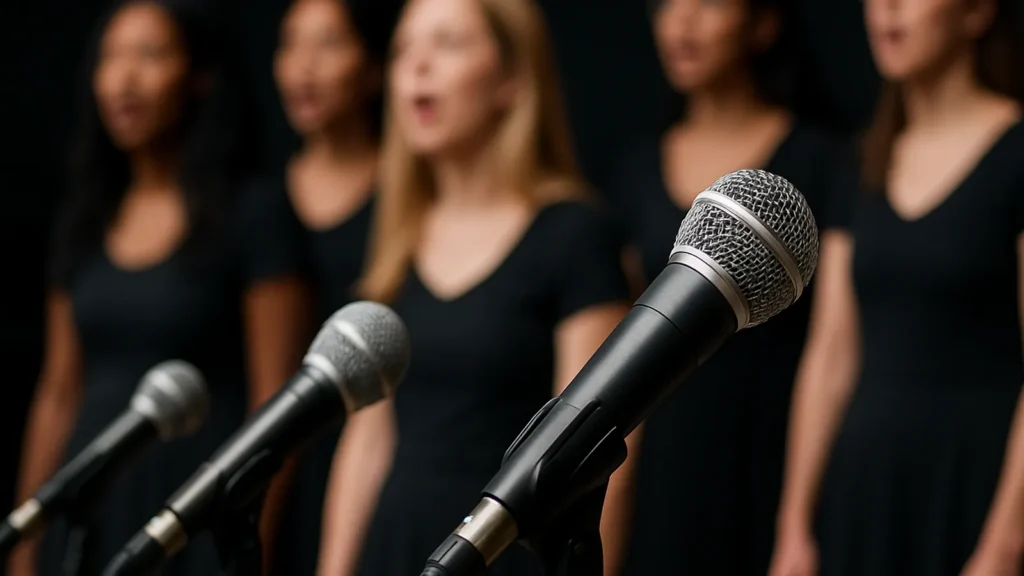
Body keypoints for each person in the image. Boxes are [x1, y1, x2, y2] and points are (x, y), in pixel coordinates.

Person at [315, 0, 636, 574]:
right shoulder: (396, 244)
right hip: (396, 544)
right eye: (403, 48)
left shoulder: (572, 235)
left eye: (449, 43)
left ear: (512, 80)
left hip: (508, 551)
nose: (418, 65)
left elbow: (596, 455)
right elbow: (367, 443)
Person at [10, 1, 308, 574]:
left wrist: (250, 545)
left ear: (200, 76)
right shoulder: (86, 219)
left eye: (150, 56)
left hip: (195, 505)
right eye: (110, 58)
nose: (124, 78)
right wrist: (26, 539)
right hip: (91, 495)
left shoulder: (252, 212)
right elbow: (58, 391)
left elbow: (279, 401)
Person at [768, 0, 1024, 575]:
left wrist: (1005, 547)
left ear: (979, 12)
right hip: (865, 488)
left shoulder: (1014, 153)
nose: (886, 8)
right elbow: (831, 354)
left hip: (973, 486)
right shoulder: (861, 161)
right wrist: (793, 528)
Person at [612, 1, 836, 574]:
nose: (680, 22)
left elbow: (831, 346)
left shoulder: (818, 162)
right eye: (667, 4)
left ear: (762, 22)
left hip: (769, 453)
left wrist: (799, 524)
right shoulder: (637, 169)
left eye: (707, 3)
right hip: (665, 462)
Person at [270, 0, 401, 573]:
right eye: (291, 43)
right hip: (274, 450)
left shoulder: (407, 196)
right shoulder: (255, 200)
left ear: (373, 68)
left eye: (328, 44)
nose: (304, 66)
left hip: (370, 448)